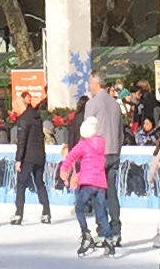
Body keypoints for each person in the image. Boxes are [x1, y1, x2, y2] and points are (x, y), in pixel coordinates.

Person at [61, 122, 109, 253]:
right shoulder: (102, 143)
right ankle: (109, 240)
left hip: (88, 182)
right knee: (101, 212)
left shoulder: (83, 144)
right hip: (101, 183)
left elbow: (70, 157)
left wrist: (64, 169)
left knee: (79, 208)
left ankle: (86, 234)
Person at [10, 97, 52, 227]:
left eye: (14, 107)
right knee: (40, 183)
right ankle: (46, 212)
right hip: (39, 155)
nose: (13, 110)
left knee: (21, 184)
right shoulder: (37, 118)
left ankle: (19, 213)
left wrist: (18, 159)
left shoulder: (23, 120)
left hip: (27, 157)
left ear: (18, 106)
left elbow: (21, 141)